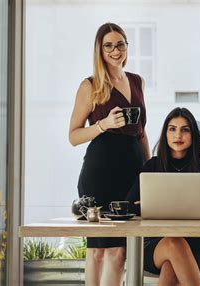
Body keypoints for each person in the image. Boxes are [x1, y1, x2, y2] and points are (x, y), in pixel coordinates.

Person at [69, 22, 150, 285]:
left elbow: (141, 132)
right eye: (108, 46)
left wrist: (149, 171)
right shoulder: (90, 85)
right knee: (98, 250)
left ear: (127, 46)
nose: (115, 50)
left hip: (132, 172)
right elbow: (73, 136)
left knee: (120, 251)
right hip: (100, 171)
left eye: (120, 44)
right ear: (100, 51)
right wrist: (103, 124)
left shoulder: (137, 81)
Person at [126, 107, 200, 285]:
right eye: (172, 129)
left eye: (185, 129)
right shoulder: (152, 166)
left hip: (197, 244)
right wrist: (147, 205)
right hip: (155, 243)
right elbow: (128, 205)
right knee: (173, 243)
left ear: (193, 134)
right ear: (165, 134)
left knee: (171, 265)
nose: (178, 135)